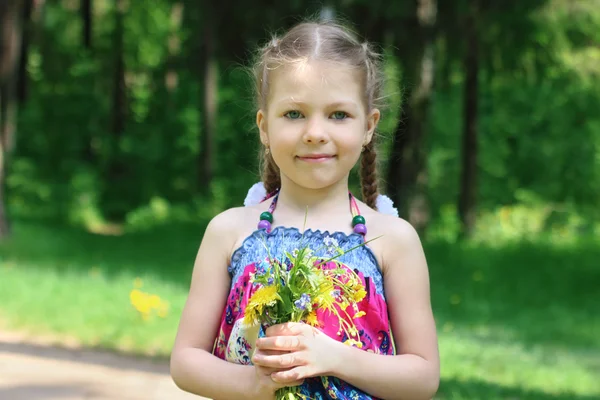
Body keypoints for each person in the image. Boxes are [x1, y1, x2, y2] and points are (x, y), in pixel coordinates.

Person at [170, 19, 440, 400]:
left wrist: (333, 357)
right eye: (294, 114)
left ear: (368, 126)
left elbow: (423, 376)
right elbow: (185, 360)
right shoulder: (229, 231)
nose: (315, 132)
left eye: (338, 115)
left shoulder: (392, 239)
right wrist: (255, 383)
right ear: (264, 126)